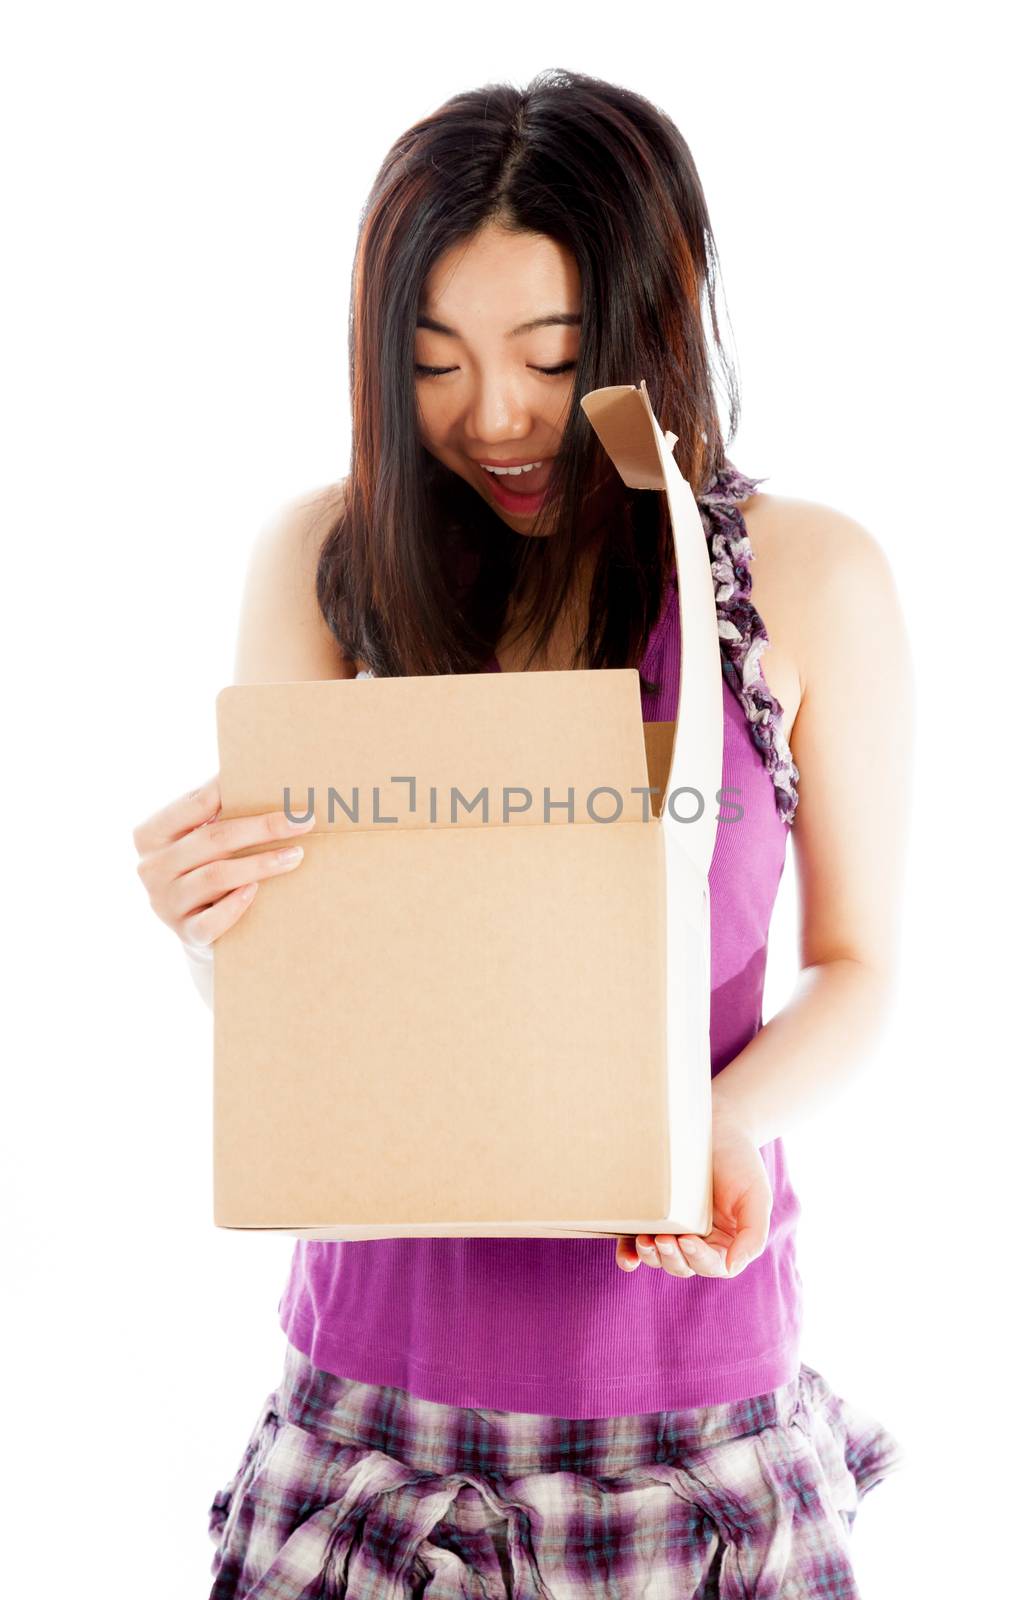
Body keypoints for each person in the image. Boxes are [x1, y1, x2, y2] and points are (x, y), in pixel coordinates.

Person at [132, 67, 914, 1599]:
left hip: (691, 1407)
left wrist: (728, 1123)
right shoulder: (325, 556)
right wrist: (213, 930)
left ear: (654, 321)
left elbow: (862, 965)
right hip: (373, 1406)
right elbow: (297, 1015)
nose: (493, 418)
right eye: (433, 363)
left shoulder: (807, 578)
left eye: (552, 359)